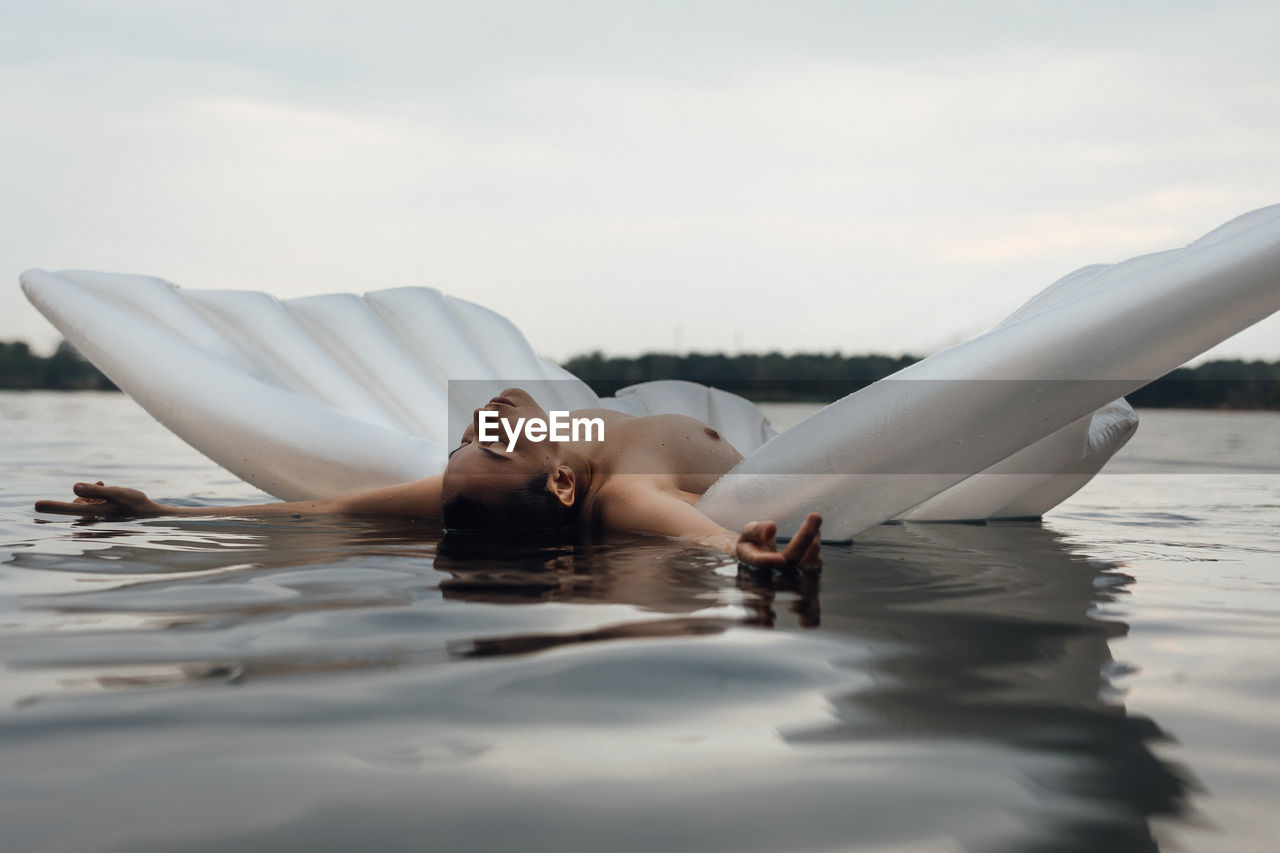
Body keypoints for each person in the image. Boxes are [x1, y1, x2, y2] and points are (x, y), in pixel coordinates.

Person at [36, 387, 822, 571]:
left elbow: (325, 508)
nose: (486, 418)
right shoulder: (623, 492)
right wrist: (742, 552)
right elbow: (701, 533)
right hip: (747, 430)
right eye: (499, 440)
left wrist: (158, 510)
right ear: (559, 488)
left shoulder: (553, 450)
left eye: (472, 437)